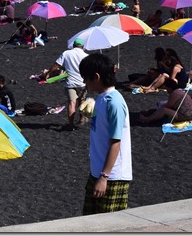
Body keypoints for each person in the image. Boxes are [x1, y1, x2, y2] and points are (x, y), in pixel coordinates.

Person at [79, 52, 132, 215]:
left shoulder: (114, 102)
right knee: (89, 222)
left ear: (96, 77)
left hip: (112, 176)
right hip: (98, 172)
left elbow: (115, 142)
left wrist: (104, 177)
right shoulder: (101, 99)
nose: (84, 83)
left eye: (85, 79)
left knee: (108, 225)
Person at [48, 37, 89, 130]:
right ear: (82, 47)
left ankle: (71, 124)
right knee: (82, 100)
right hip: (82, 83)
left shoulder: (66, 53)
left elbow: (56, 65)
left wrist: (48, 74)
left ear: (73, 46)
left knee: (72, 103)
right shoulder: (86, 56)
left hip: (71, 83)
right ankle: (82, 118)